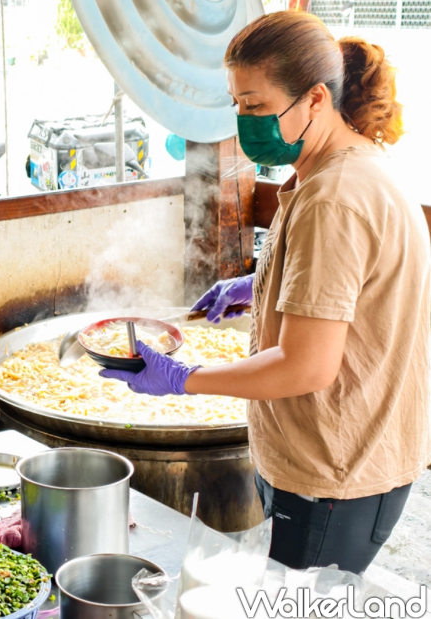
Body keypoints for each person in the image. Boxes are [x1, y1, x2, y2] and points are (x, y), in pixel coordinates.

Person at [101, 11, 431, 574]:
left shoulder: (335, 196)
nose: (242, 120)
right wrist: (266, 284)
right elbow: (359, 280)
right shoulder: (337, 165)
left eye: (255, 105)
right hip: (342, 454)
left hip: (335, 470)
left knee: (300, 605)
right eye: (236, 103)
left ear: (316, 99)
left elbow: (306, 368)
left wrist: (183, 379)